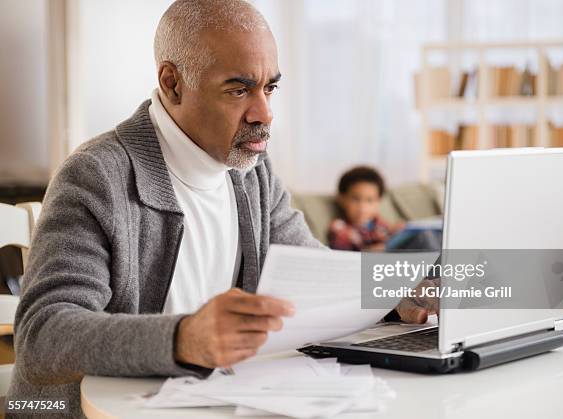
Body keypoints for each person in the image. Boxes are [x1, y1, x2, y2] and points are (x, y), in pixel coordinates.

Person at [8, 1, 432, 416]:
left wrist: (399, 292)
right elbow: (43, 336)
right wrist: (183, 338)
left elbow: (316, 274)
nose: (264, 112)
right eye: (238, 89)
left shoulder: (251, 172)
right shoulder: (98, 175)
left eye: (270, 88)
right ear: (172, 83)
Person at [328, 166, 400, 251]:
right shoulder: (339, 227)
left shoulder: (381, 223)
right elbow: (347, 246)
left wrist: (398, 232)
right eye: (355, 199)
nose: (362, 207)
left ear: (378, 202)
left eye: (369, 200)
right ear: (341, 199)